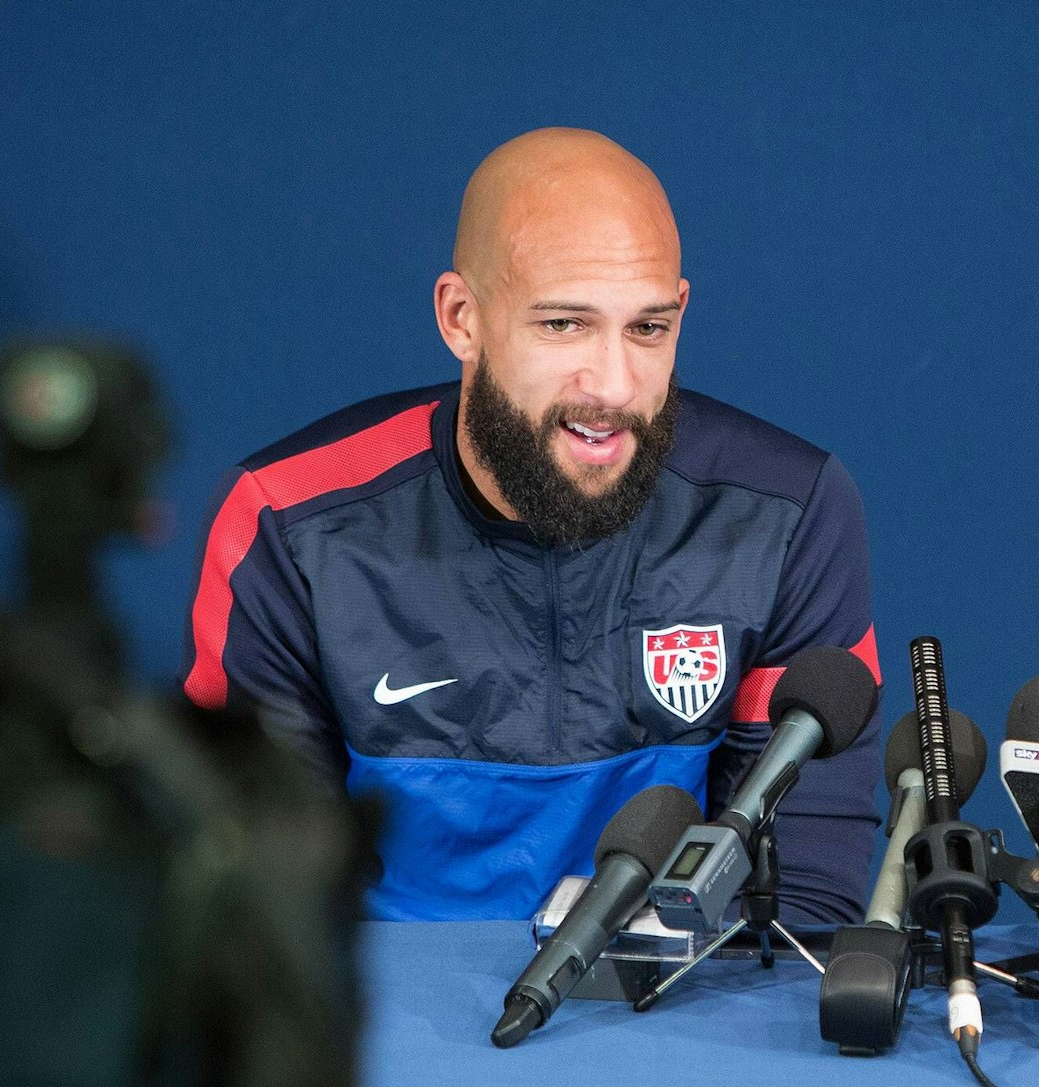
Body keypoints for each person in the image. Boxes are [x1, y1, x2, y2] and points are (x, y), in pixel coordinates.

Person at [182, 128, 882, 922]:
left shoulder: (786, 511)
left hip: (671, 998)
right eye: (563, 325)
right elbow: (262, 908)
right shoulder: (288, 520)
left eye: (647, 328)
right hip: (375, 998)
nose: (613, 386)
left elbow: (799, 905)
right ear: (461, 318)